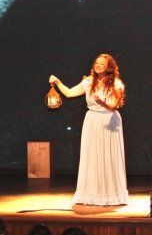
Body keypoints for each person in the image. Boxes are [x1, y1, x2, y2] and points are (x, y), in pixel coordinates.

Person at [49, 53, 128, 205]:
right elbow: (70, 93)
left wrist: (101, 102)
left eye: (102, 64)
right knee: (92, 156)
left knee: (108, 157)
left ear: (109, 67)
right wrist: (58, 82)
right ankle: (92, 195)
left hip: (109, 122)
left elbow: (113, 106)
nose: (98, 66)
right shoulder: (88, 82)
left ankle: (111, 195)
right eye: (96, 63)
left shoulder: (116, 84)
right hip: (92, 121)